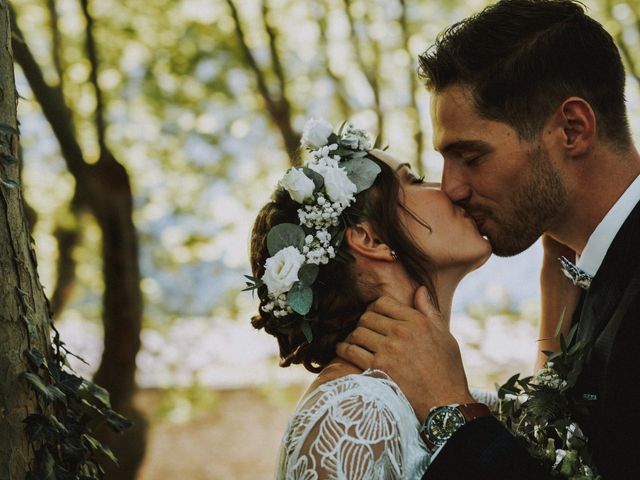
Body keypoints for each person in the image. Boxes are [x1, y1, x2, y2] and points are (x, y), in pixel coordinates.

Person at [337, 1, 640, 479]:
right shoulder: (590, 282)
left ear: (572, 129)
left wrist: (451, 410)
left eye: (471, 156)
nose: (451, 187)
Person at [248, 117, 494, 479]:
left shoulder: (443, 392)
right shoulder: (350, 415)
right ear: (370, 239)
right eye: (413, 180)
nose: (448, 188)